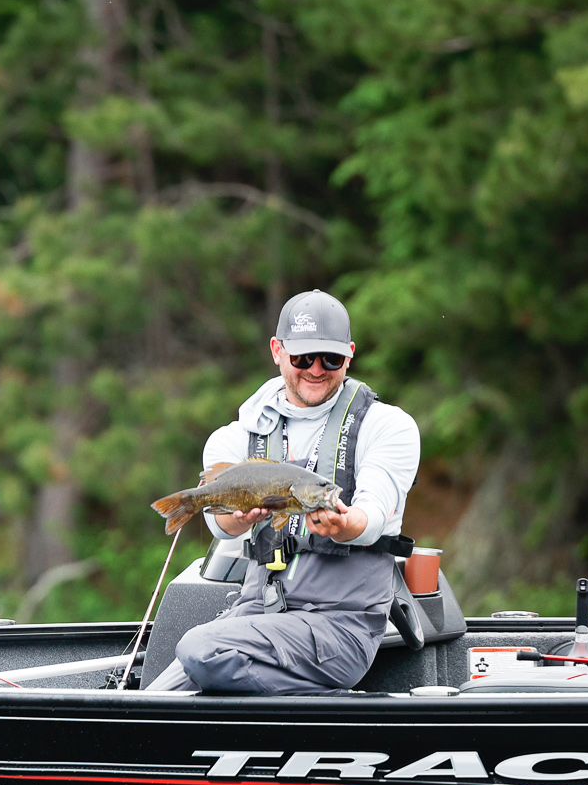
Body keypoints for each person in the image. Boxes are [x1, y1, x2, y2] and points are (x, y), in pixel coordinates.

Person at [145, 290, 421, 694]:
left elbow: (374, 512)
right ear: (277, 350)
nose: (316, 369)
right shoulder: (235, 437)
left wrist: (343, 526)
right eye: (302, 358)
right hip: (255, 614)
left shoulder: (389, 426)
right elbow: (222, 527)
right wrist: (235, 516)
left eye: (331, 359)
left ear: (349, 355)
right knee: (152, 701)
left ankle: (330, 712)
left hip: (339, 628)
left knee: (200, 650)